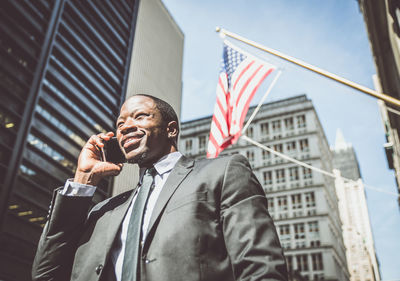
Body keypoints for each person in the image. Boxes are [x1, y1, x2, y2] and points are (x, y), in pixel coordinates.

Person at [32, 94, 288, 281]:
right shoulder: (103, 210)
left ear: (171, 129)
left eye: (140, 116)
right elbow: (46, 274)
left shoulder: (222, 172)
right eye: (120, 124)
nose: (126, 127)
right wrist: (82, 180)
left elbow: (261, 266)